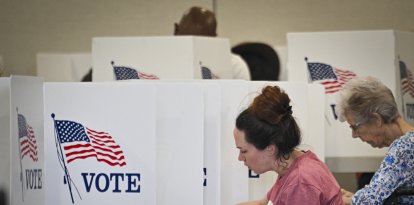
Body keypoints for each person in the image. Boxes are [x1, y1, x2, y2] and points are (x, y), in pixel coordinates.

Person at [234, 85, 343, 205]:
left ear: (270, 149)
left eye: (244, 151)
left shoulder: (300, 182)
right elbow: (263, 203)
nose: (240, 158)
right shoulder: (291, 167)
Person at [337, 76, 414, 204]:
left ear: (376, 119)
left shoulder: (403, 148)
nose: (354, 135)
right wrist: (356, 198)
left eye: (355, 127)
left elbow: (370, 201)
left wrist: (346, 199)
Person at [174, 6, 251, 80]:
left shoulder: (235, 65)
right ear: (176, 31)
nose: (194, 48)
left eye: (202, 43)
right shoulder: (163, 62)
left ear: (214, 39)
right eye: (188, 40)